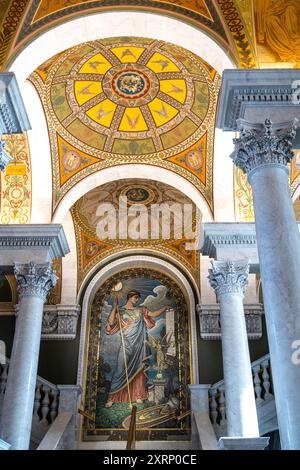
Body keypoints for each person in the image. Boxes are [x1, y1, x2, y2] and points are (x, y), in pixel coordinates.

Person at [105, 290, 169, 408]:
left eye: (138, 298)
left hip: (138, 345)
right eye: (135, 297)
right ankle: (112, 397)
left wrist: (164, 308)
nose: (137, 300)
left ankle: (138, 395)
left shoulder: (140, 310)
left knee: (138, 370)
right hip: (126, 344)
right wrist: (114, 307)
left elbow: (153, 314)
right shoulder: (121, 310)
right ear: (130, 297)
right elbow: (111, 322)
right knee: (120, 370)